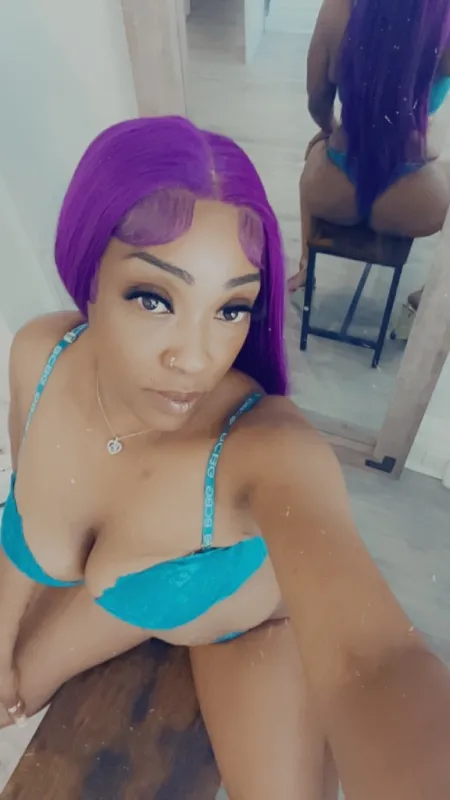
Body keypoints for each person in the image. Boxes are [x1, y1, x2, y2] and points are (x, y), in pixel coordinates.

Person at [0, 117, 450, 800]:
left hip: (248, 627)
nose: (196, 358)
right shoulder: (40, 355)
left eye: (232, 308)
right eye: (155, 298)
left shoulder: (265, 449)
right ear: (87, 273)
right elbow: (22, 500)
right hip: (117, 595)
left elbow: (377, 661)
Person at [288, 0, 450, 292]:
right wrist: (431, 145)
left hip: (335, 188)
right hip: (414, 200)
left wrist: (330, 129)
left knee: (316, 149)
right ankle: (430, 295)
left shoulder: (337, 8)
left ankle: (305, 266)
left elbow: (318, 101)